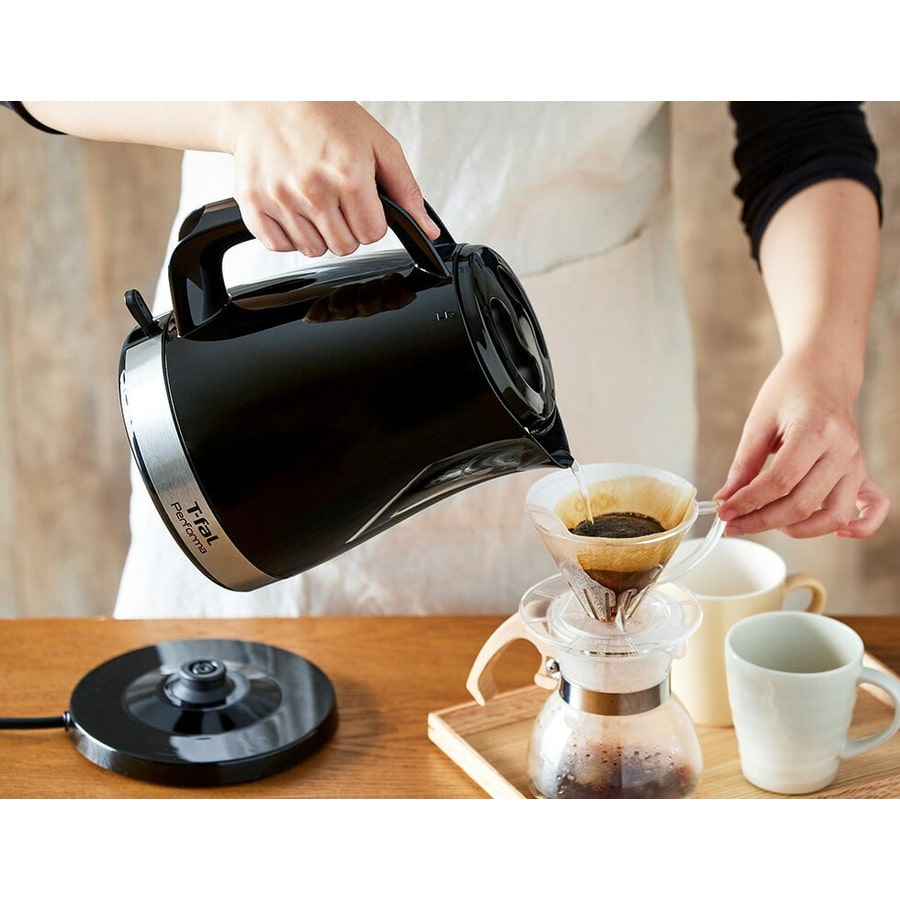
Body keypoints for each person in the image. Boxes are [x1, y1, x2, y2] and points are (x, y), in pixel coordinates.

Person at [3, 101, 892, 617]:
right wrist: (248, 106)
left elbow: (803, 131)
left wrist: (823, 359)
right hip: (260, 431)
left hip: (599, 375)